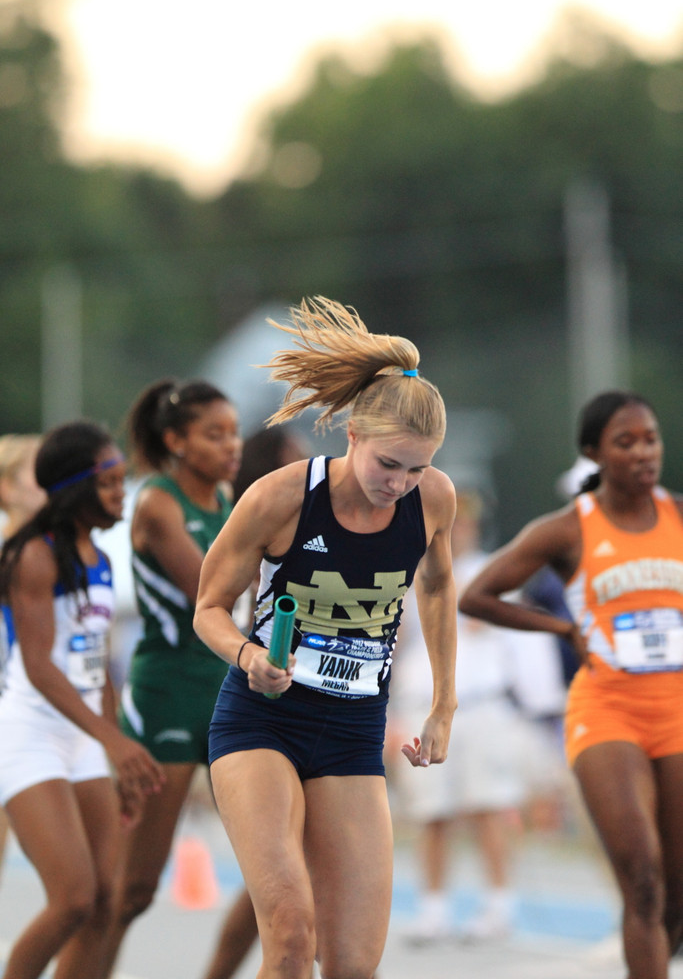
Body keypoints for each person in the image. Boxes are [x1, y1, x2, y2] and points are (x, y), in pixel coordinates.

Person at [194, 296, 458, 979]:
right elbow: (209, 608)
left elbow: (434, 586)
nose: (398, 485)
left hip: (351, 732)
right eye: (387, 465)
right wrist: (249, 655)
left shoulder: (433, 501)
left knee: (351, 965)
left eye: (416, 469)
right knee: (288, 933)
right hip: (262, 722)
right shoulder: (281, 497)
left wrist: (441, 705)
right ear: (349, 436)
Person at [459, 390, 683, 979]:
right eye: (625, 442)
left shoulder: (679, 516)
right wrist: (564, 628)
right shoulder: (567, 529)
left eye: (650, 439)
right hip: (606, 711)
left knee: (674, 897)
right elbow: (476, 595)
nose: (643, 453)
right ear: (594, 454)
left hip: (676, 712)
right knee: (642, 879)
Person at [102, 379, 256, 979]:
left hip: (226, 693)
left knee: (278, 871)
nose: (231, 445)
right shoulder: (157, 503)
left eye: (234, 431)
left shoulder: (226, 496)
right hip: (165, 696)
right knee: (134, 889)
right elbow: (215, 589)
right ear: (175, 440)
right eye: (214, 434)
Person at [0, 421, 165, 979]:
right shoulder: (32, 556)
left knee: (103, 904)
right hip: (30, 733)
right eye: (111, 482)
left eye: (124, 480)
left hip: (86, 737)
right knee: (72, 897)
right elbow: (40, 667)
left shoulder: (100, 558)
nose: (123, 493)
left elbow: (99, 667)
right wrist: (112, 741)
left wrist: (120, 748)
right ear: (75, 488)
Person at [390, 491, 530, 944]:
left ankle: (499, 904)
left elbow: (516, 644)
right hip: (419, 702)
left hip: (480, 702)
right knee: (431, 812)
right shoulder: (406, 576)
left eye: (462, 525)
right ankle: (434, 908)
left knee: (488, 807)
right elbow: (398, 644)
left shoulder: (492, 574)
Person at [0, 434, 47, 880]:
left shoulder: (55, 550)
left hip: (42, 711)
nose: (49, 484)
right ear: (7, 488)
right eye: (38, 473)